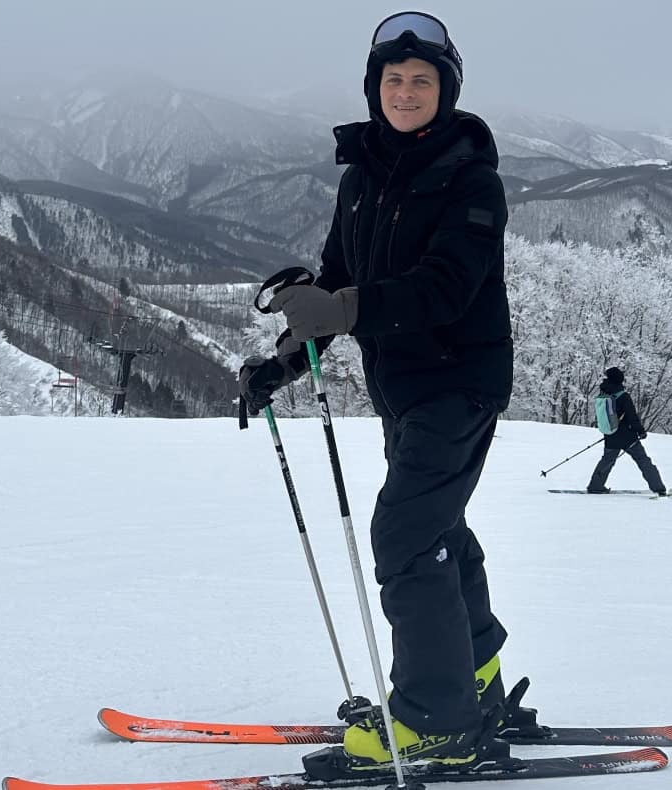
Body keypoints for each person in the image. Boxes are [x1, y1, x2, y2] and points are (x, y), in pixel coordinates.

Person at [237, 10, 516, 771]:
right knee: (437, 528)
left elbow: (447, 289)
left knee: (406, 533)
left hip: (459, 381)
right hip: (404, 387)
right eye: (393, 80)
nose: (404, 92)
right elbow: (337, 282)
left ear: (446, 91)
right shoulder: (363, 177)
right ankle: (476, 678)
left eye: (421, 81)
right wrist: (286, 363)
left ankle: (438, 720)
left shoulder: (472, 180)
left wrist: (347, 309)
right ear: (374, 88)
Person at [586, 367, 668, 495]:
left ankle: (595, 486)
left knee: (607, 460)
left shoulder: (604, 394)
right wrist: (641, 431)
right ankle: (658, 488)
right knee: (643, 460)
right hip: (628, 437)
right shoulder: (623, 396)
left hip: (610, 435)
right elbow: (632, 416)